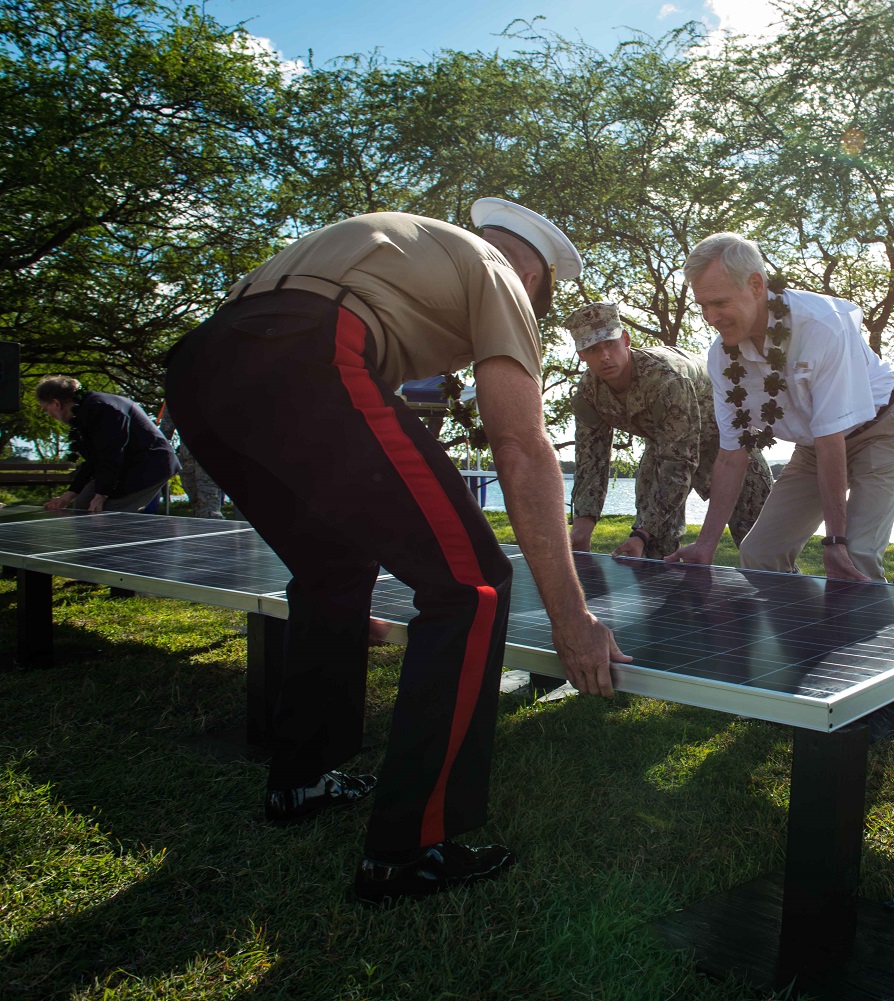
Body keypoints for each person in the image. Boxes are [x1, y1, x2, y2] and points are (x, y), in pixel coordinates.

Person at [164, 199, 628, 907]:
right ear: (535, 274)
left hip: (201, 374)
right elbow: (521, 444)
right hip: (313, 350)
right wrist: (571, 616)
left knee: (332, 568)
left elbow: (359, 426)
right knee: (472, 585)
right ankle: (409, 849)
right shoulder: (500, 273)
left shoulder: (393, 244)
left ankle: (302, 779)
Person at [665, 233, 894, 738]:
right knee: (760, 550)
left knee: (859, 558)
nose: (712, 316)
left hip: (884, 429)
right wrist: (705, 543)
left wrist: (835, 540)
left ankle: (876, 701)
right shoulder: (722, 358)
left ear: (757, 285)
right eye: (703, 305)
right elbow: (731, 454)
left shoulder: (820, 327)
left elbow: (835, 444)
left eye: (720, 302)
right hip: (815, 445)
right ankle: (812, 669)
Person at [564, 301, 772, 560]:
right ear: (581, 354)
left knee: (761, 548)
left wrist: (641, 533)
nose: (604, 356)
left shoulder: (666, 379)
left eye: (610, 344)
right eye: (592, 349)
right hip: (665, 444)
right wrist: (582, 527)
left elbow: (680, 460)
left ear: (626, 340)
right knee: (653, 543)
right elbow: (590, 461)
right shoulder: (588, 394)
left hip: (728, 444)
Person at [35, 376, 180, 513]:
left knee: (105, 512)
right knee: (82, 504)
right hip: (125, 465)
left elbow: (112, 453)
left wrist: (101, 494)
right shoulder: (83, 413)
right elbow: (93, 461)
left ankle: (122, 538)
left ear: (56, 403)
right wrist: (67, 496)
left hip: (149, 465)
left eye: (46, 409)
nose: (48, 414)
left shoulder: (102, 409)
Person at [157, 404, 224, 519]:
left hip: (209, 453)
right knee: (195, 500)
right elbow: (166, 428)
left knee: (208, 504)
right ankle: (203, 529)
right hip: (187, 456)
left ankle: (212, 529)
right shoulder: (176, 395)